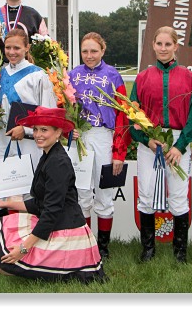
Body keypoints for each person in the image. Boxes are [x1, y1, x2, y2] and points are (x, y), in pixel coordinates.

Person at [0, 106, 106, 283]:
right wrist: (6, 204)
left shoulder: (58, 163)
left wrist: (24, 249)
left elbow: (51, 212)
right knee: (3, 241)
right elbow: (40, 203)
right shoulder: (49, 155)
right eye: (35, 130)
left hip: (65, 229)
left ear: (58, 133)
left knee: (1, 264)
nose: (38, 135)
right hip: (56, 222)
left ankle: (61, 267)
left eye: (44, 130)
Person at [129, 26, 192, 263]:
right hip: (149, 145)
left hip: (177, 145)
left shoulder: (190, 78)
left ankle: (180, 252)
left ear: (176, 46)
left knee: (179, 196)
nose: (163, 48)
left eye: (168, 44)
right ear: (153, 46)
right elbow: (133, 113)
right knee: (146, 195)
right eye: (159, 44)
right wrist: (146, 139)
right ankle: (148, 250)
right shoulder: (142, 78)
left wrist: (180, 146)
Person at [68, 32, 130, 258]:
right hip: (80, 139)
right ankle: (85, 245)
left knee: (104, 194)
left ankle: (103, 249)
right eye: (85, 51)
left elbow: (123, 116)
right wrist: (68, 129)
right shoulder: (72, 75)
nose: (89, 55)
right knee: (82, 193)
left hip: (104, 137)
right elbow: (63, 109)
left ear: (103, 51)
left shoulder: (114, 76)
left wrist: (119, 153)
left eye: (94, 51)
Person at [0, 28, 57, 220]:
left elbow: (48, 114)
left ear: (27, 48)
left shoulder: (38, 76)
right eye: (8, 47)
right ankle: (1, 240)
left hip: (29, 144)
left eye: (17, 48)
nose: (12, 52)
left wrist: (26, 130)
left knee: (29, 192)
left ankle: (29, 240)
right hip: (3, 141)